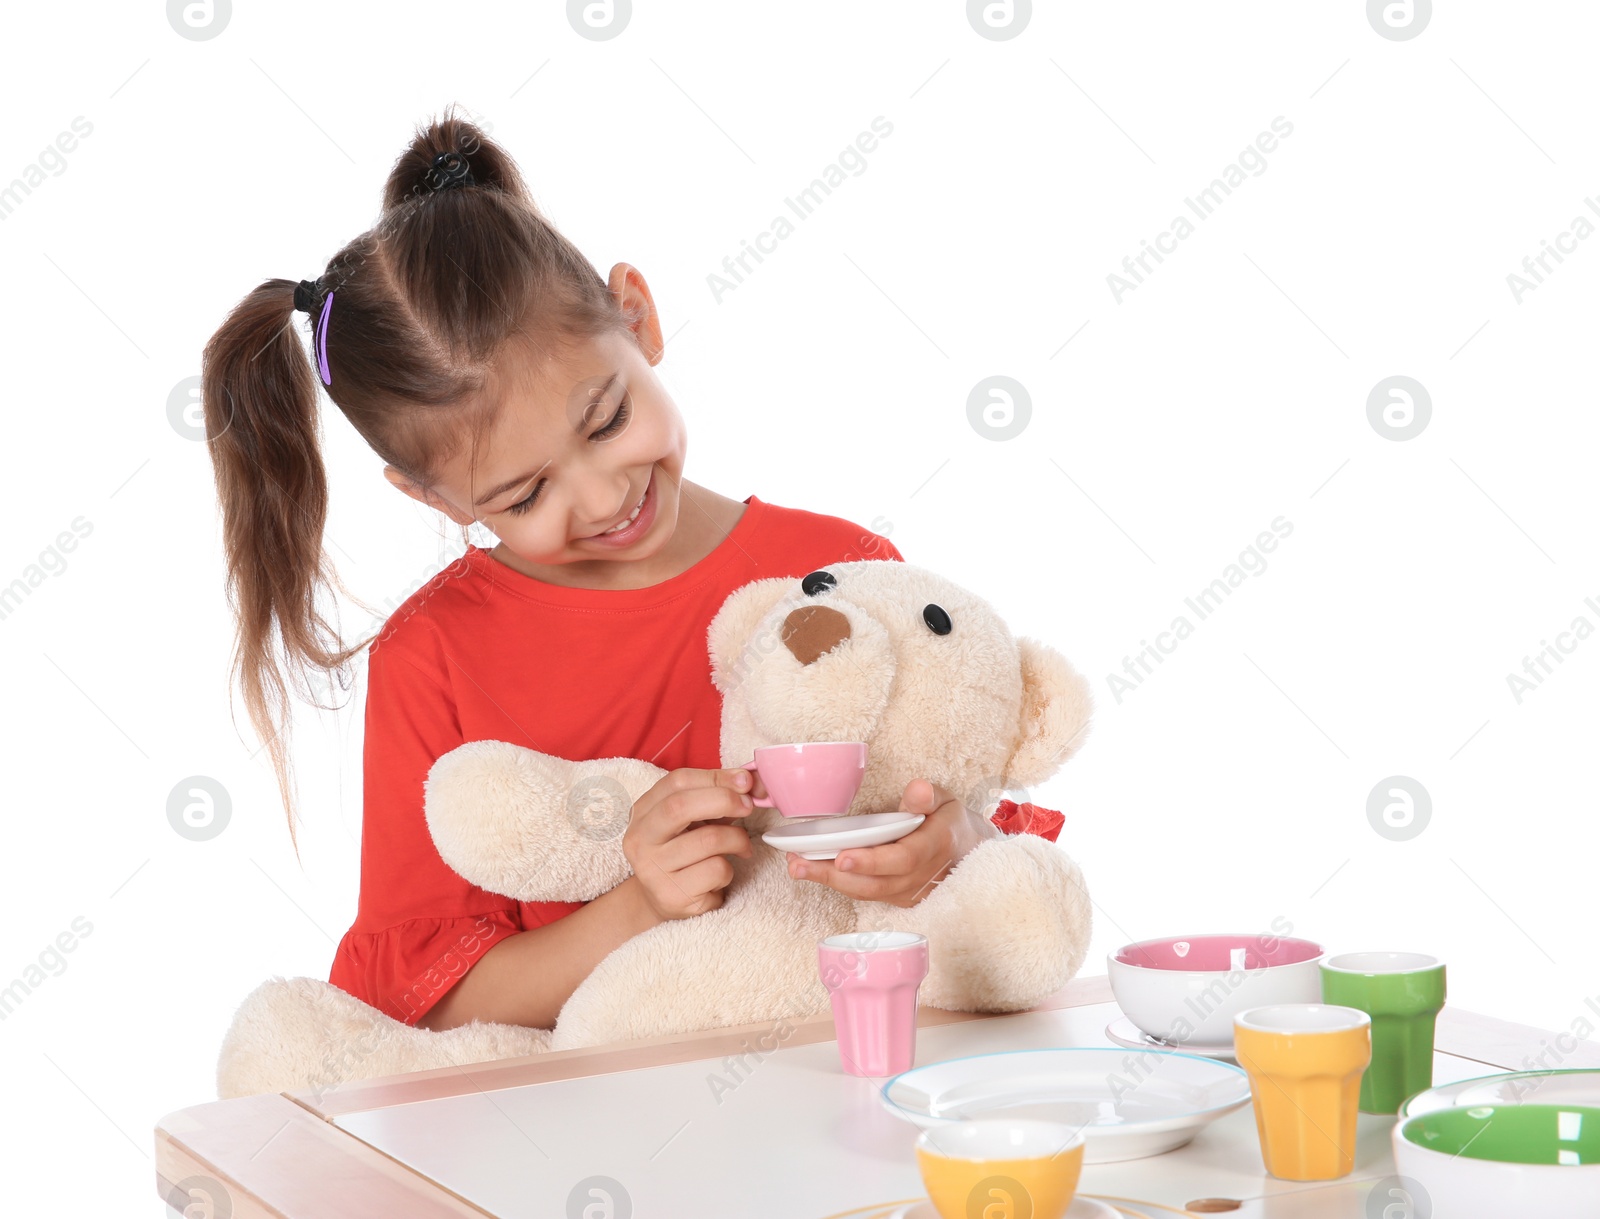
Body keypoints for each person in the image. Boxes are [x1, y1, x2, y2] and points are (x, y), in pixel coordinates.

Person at [198, 106, 1061, 1034]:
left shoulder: (840, 572)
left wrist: (951, 844)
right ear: (437, 500)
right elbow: (428, 1003)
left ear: (638, 316)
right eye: (525, 495)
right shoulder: (434, 658)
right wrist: (640, 904)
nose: (604, 498)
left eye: (606, 420)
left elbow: (990, 885)